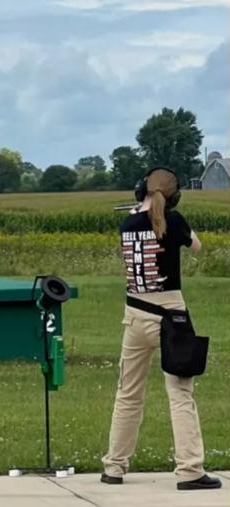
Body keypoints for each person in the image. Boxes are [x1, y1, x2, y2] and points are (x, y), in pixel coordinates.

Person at [101, 168, 222, 491]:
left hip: (135, 314)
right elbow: (196, 246)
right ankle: (189, 470)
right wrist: (176, 220)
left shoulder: (127, 224)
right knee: (180, 394)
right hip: (170, 314)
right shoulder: (175, 221)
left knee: (127, 393)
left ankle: (114, 465)